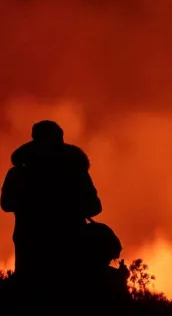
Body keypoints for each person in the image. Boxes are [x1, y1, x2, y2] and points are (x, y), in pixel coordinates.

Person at [1, 121, 102, 285]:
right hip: (69, 248)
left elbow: (6, 204)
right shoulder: (75, 172)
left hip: (31, 247)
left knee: (31, 299)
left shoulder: (20, 172)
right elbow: (94, 206)